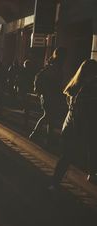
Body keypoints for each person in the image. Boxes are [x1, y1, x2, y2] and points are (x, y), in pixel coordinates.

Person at [51, 59, 97, 188]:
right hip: (84, 126)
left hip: (69, 125)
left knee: (66, 157)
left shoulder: (74, 86)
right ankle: (92, 173)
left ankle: (54, 183)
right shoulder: (91, 88)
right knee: (91, 149)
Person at [29, 47, 67, 142]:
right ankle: (35, 133)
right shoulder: (54, 66)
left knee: (50, 116)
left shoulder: (52, 64)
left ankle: (48, 136)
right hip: (49, 95)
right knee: (48, 115)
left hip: (49, 95)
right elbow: (52, 82)